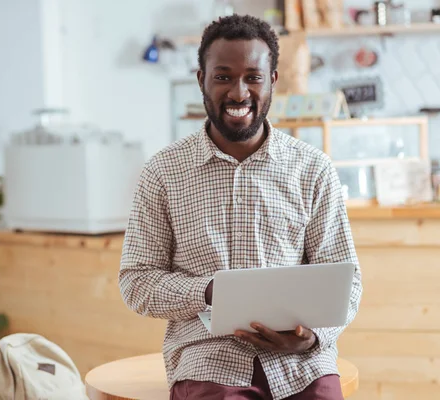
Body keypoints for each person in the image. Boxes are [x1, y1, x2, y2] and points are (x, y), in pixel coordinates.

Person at [118, 14, 363, 400]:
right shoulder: (163, 172)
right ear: (201, 79)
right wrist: (209, 291)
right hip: (208, 357)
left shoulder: (313, 169)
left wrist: (313, 337)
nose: (238, 92)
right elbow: (137, 281)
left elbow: (348, 284)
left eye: (253, 76)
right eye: (223, 76)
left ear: (273, 82)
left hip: (302, 364)